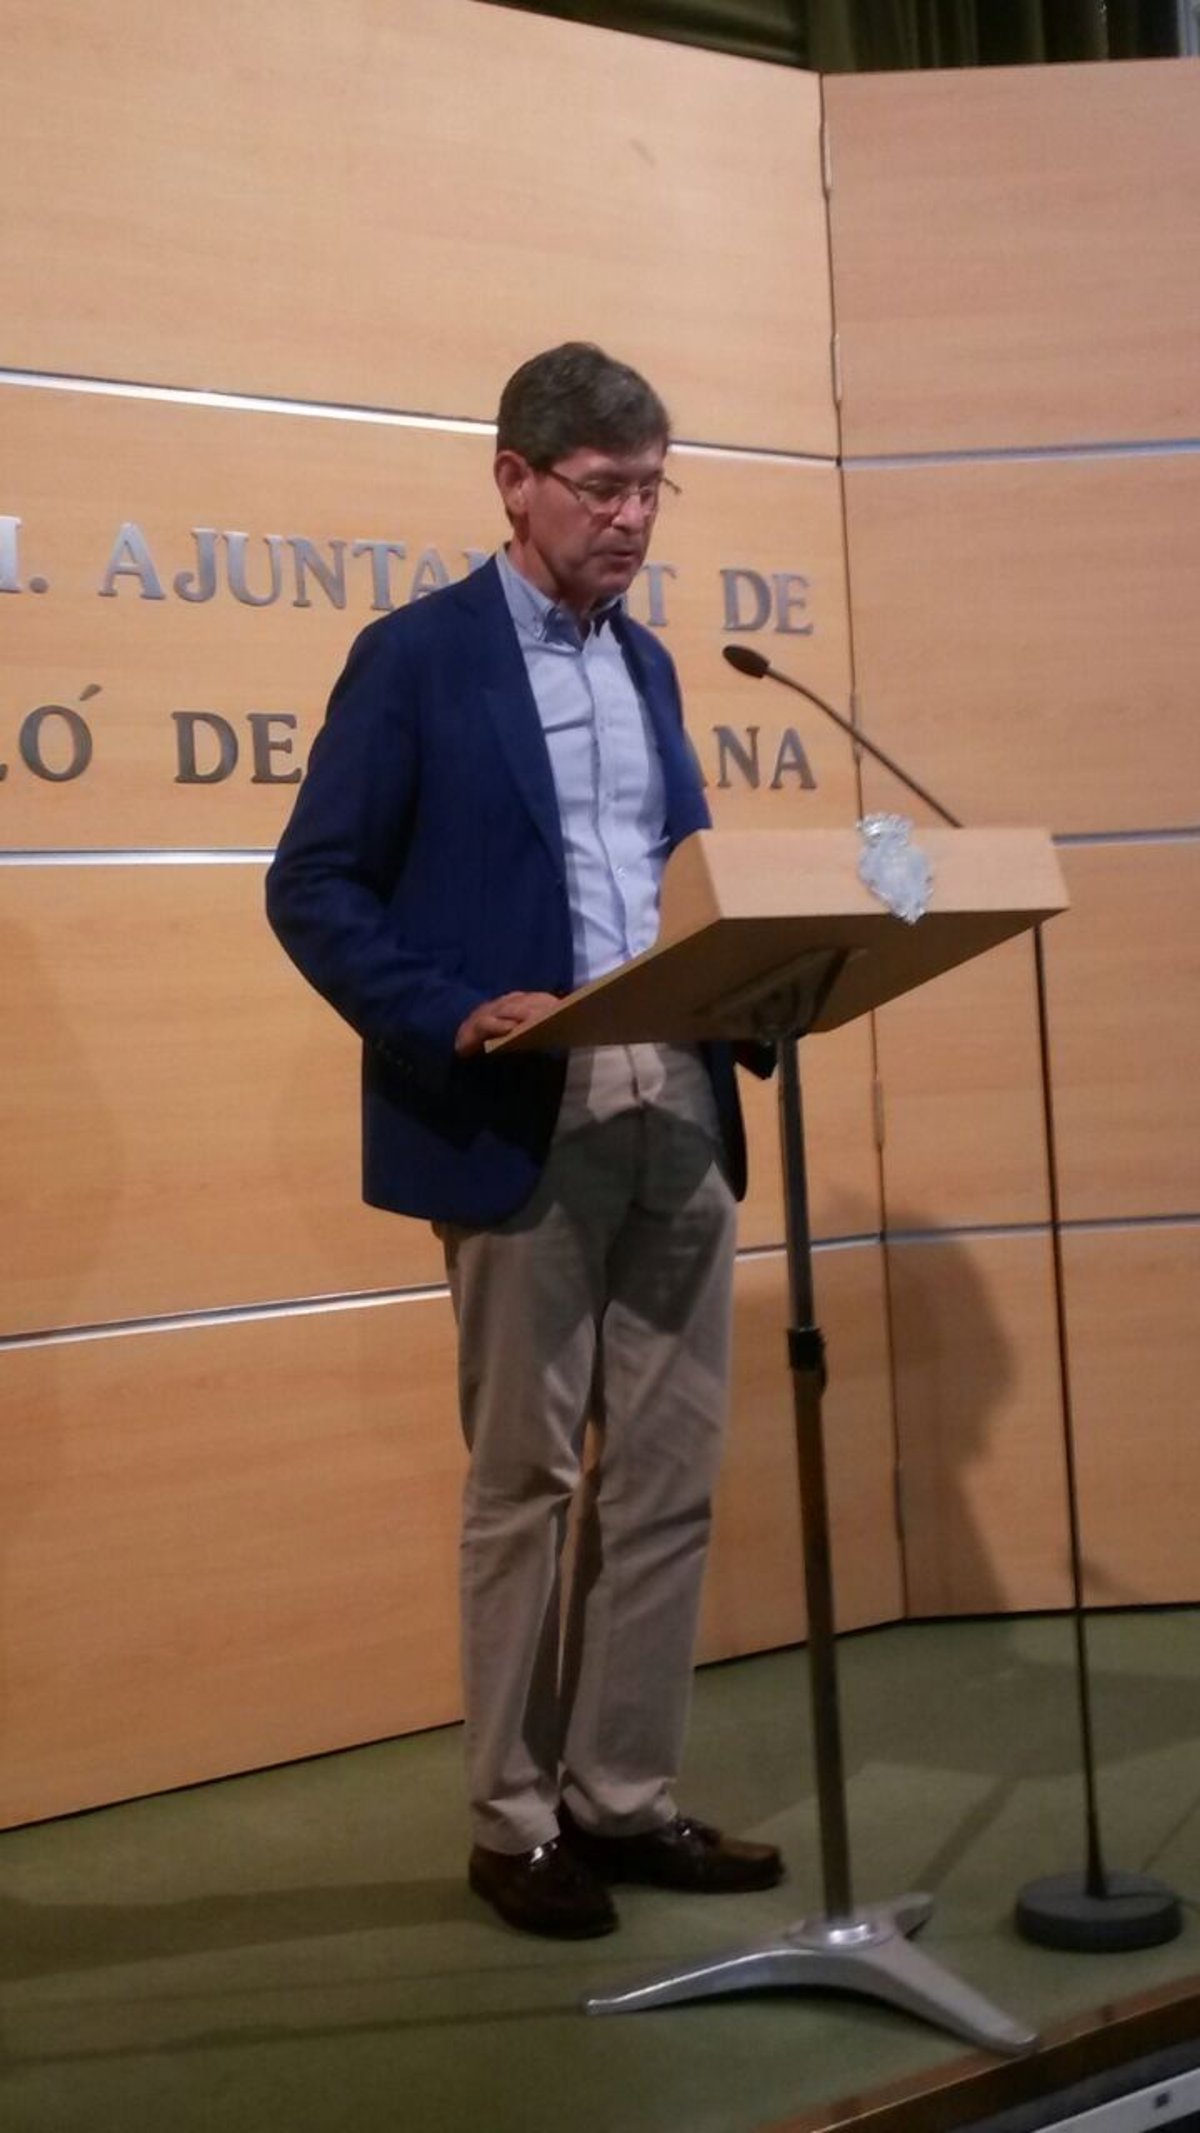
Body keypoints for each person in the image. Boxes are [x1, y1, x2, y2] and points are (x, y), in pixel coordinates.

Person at [266, 342, 783, 1938]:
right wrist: (448, 1011)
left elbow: (679, 873)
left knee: (671, 1475)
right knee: (527, 1479)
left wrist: (754, 980)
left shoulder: (653, 667)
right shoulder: (418, 658)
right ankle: (512, 1818)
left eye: (652, 489)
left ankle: (619, 1795)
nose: (633, 517)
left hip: (678, 1104)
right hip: (519, 1116)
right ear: (514, 479)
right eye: (603, 487)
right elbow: (314, 886)